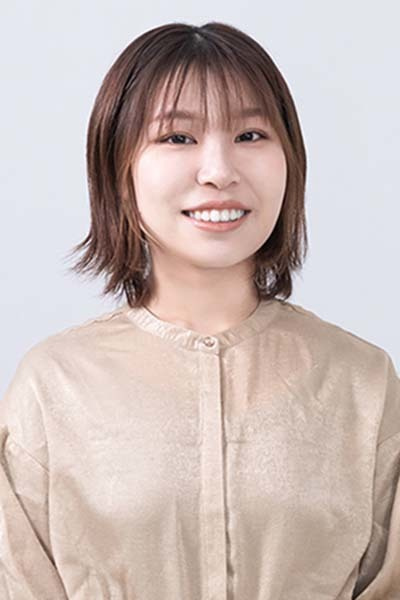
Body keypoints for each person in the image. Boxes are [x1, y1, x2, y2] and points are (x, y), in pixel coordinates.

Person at [0, 21, 399, 600]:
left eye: (251, 134)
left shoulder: (363, 383)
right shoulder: (52, 387)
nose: (218, 171)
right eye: (178, 138)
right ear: (119, 168)